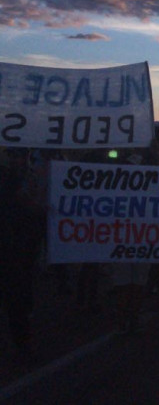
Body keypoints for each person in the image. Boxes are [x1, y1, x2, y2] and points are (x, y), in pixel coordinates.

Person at [0, 148, 45, 358]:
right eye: (14, 156)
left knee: (16, 295)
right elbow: (25, 202)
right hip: (11, 245)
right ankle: (22, 344)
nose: (17, 160)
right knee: (15, 297)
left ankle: (22, 342)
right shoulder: (10, 177)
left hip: (16, 243)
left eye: (20, 156)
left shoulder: (19, 176)